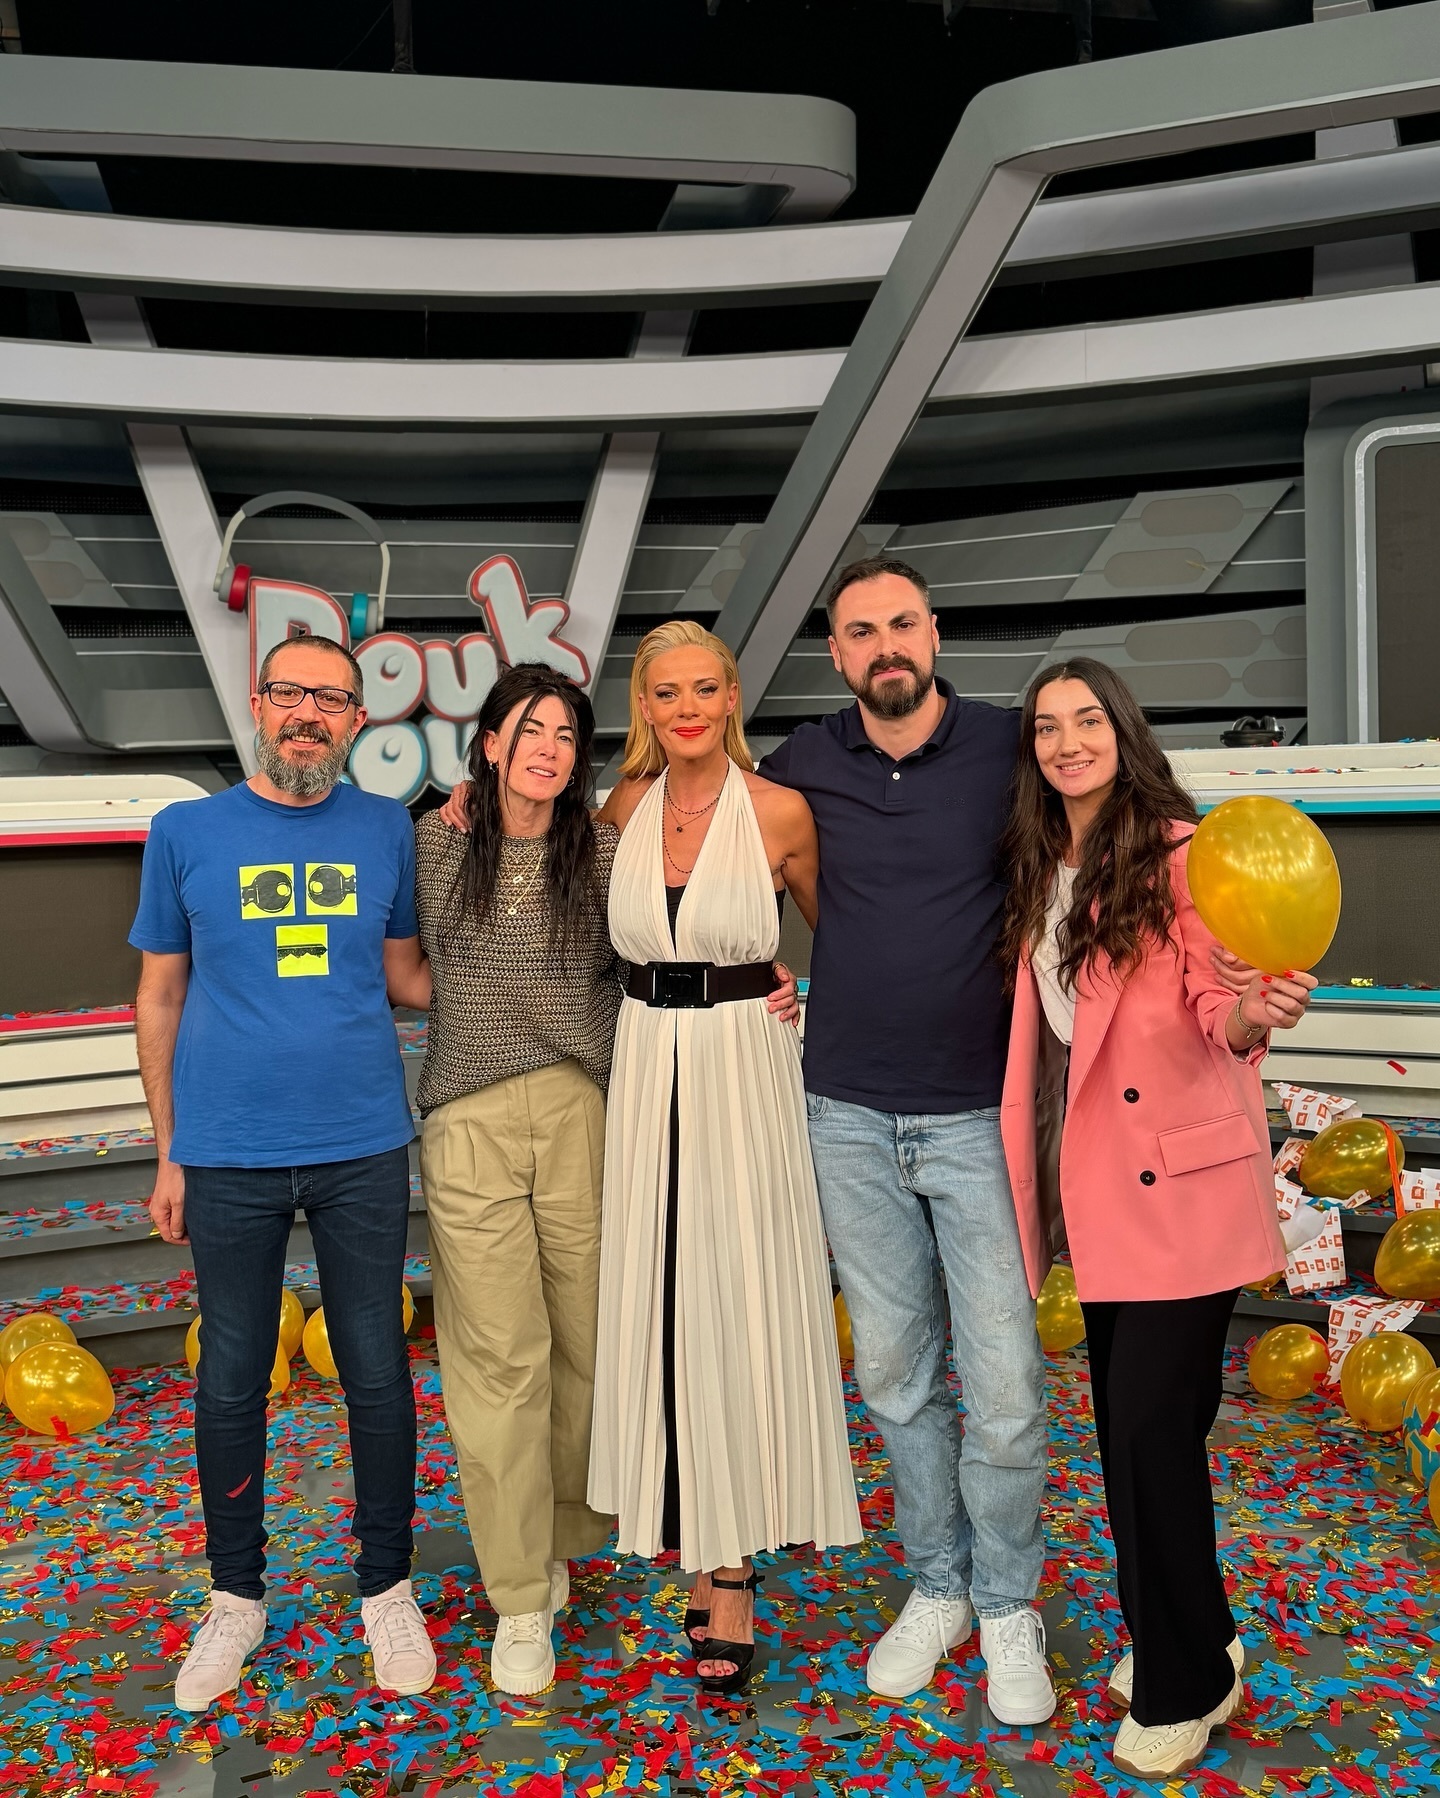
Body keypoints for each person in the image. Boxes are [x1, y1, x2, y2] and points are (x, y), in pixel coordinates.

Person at [422, 659, 802, 1696]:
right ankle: (519, 1592)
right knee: (499, 1360)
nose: (545, 747)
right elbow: (404, 964)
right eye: (526, 729)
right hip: (468, 1117)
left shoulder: (606, 843)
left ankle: (569, 1535)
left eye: (563, 732)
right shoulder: (435, 840)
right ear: (490, 743)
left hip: (590, 1107)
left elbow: (673, 928)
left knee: (596, 1347)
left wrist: (767, 977)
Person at [995, 657, 1313, 1780]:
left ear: (1123, 732)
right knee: (1137, 1436)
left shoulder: (1181, 855)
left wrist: (1255, 1011)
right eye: (1047, 726)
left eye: (1088, 720)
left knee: (1146, 1436)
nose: (1068, 741)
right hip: (1102, 1192)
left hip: (1184, 1189)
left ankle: (1187, 1683)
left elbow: (1218, 999)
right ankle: (1199, 1631)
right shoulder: (1040, 862)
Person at [760, 557, 1055, 1721]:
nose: (885, 645)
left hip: (980, 1111)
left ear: (933, 633)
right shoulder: (803, 761)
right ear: (836, 653)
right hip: (844, 1110)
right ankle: (939, 1585)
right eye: (860, 630)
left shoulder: (1007, 747)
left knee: (1008, 1385)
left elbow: (1125, 816)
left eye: (901, 623)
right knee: (893, 1375)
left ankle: (1008, 1600)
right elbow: (674, 815)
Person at [130, 634, 437, 1711]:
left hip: (361, 1141)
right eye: (291, 693)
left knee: (376, 1371)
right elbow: (160, 994)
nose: (310, 714)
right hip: (226, 1149)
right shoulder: (185, 832)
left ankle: (386, 1585)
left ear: (358, 721)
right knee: (230, 1378)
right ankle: (236, 1597)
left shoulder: (385, 828)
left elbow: (408, 976)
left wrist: (543, 974)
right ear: (259, 704)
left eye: (333, 700)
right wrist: (169, 1148)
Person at [587, 619, 862, 1695]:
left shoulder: (780, 810)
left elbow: (856, 940)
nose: (687, 707)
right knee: (664, 1300)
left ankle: (734, 1564)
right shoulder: (621, 809)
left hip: (747, 1063)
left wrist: (812, 997)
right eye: (667, 692)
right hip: (644, 1062)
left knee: (740, 1299)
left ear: (732, 697)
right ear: (645, 708)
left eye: (705, 687)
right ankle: (692, 1531)